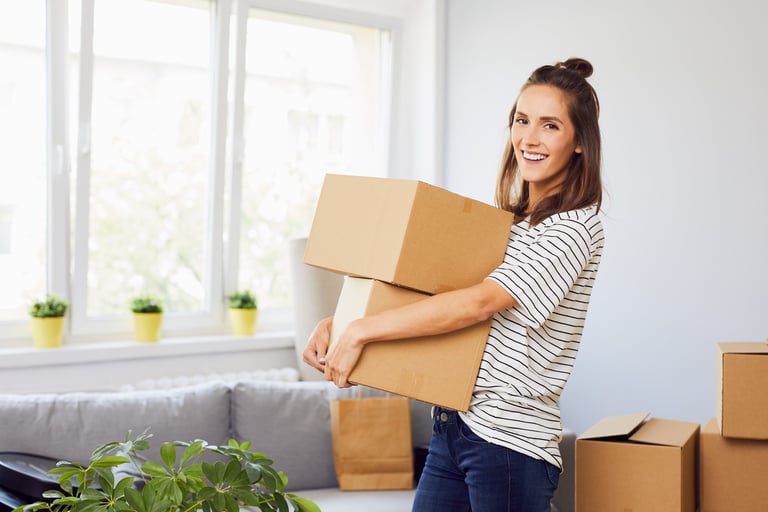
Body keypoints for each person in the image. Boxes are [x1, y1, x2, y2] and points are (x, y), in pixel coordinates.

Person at [303, 57, 604, 512]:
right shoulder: (509, 226)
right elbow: (431, 298)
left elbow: (478, 304)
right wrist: (342, 321)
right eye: (521, 121)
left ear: (579, 141)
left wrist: (362, 331)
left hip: (510, 442)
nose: (530, 138)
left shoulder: (575, 229)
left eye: (550, 126)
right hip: (453, 426)